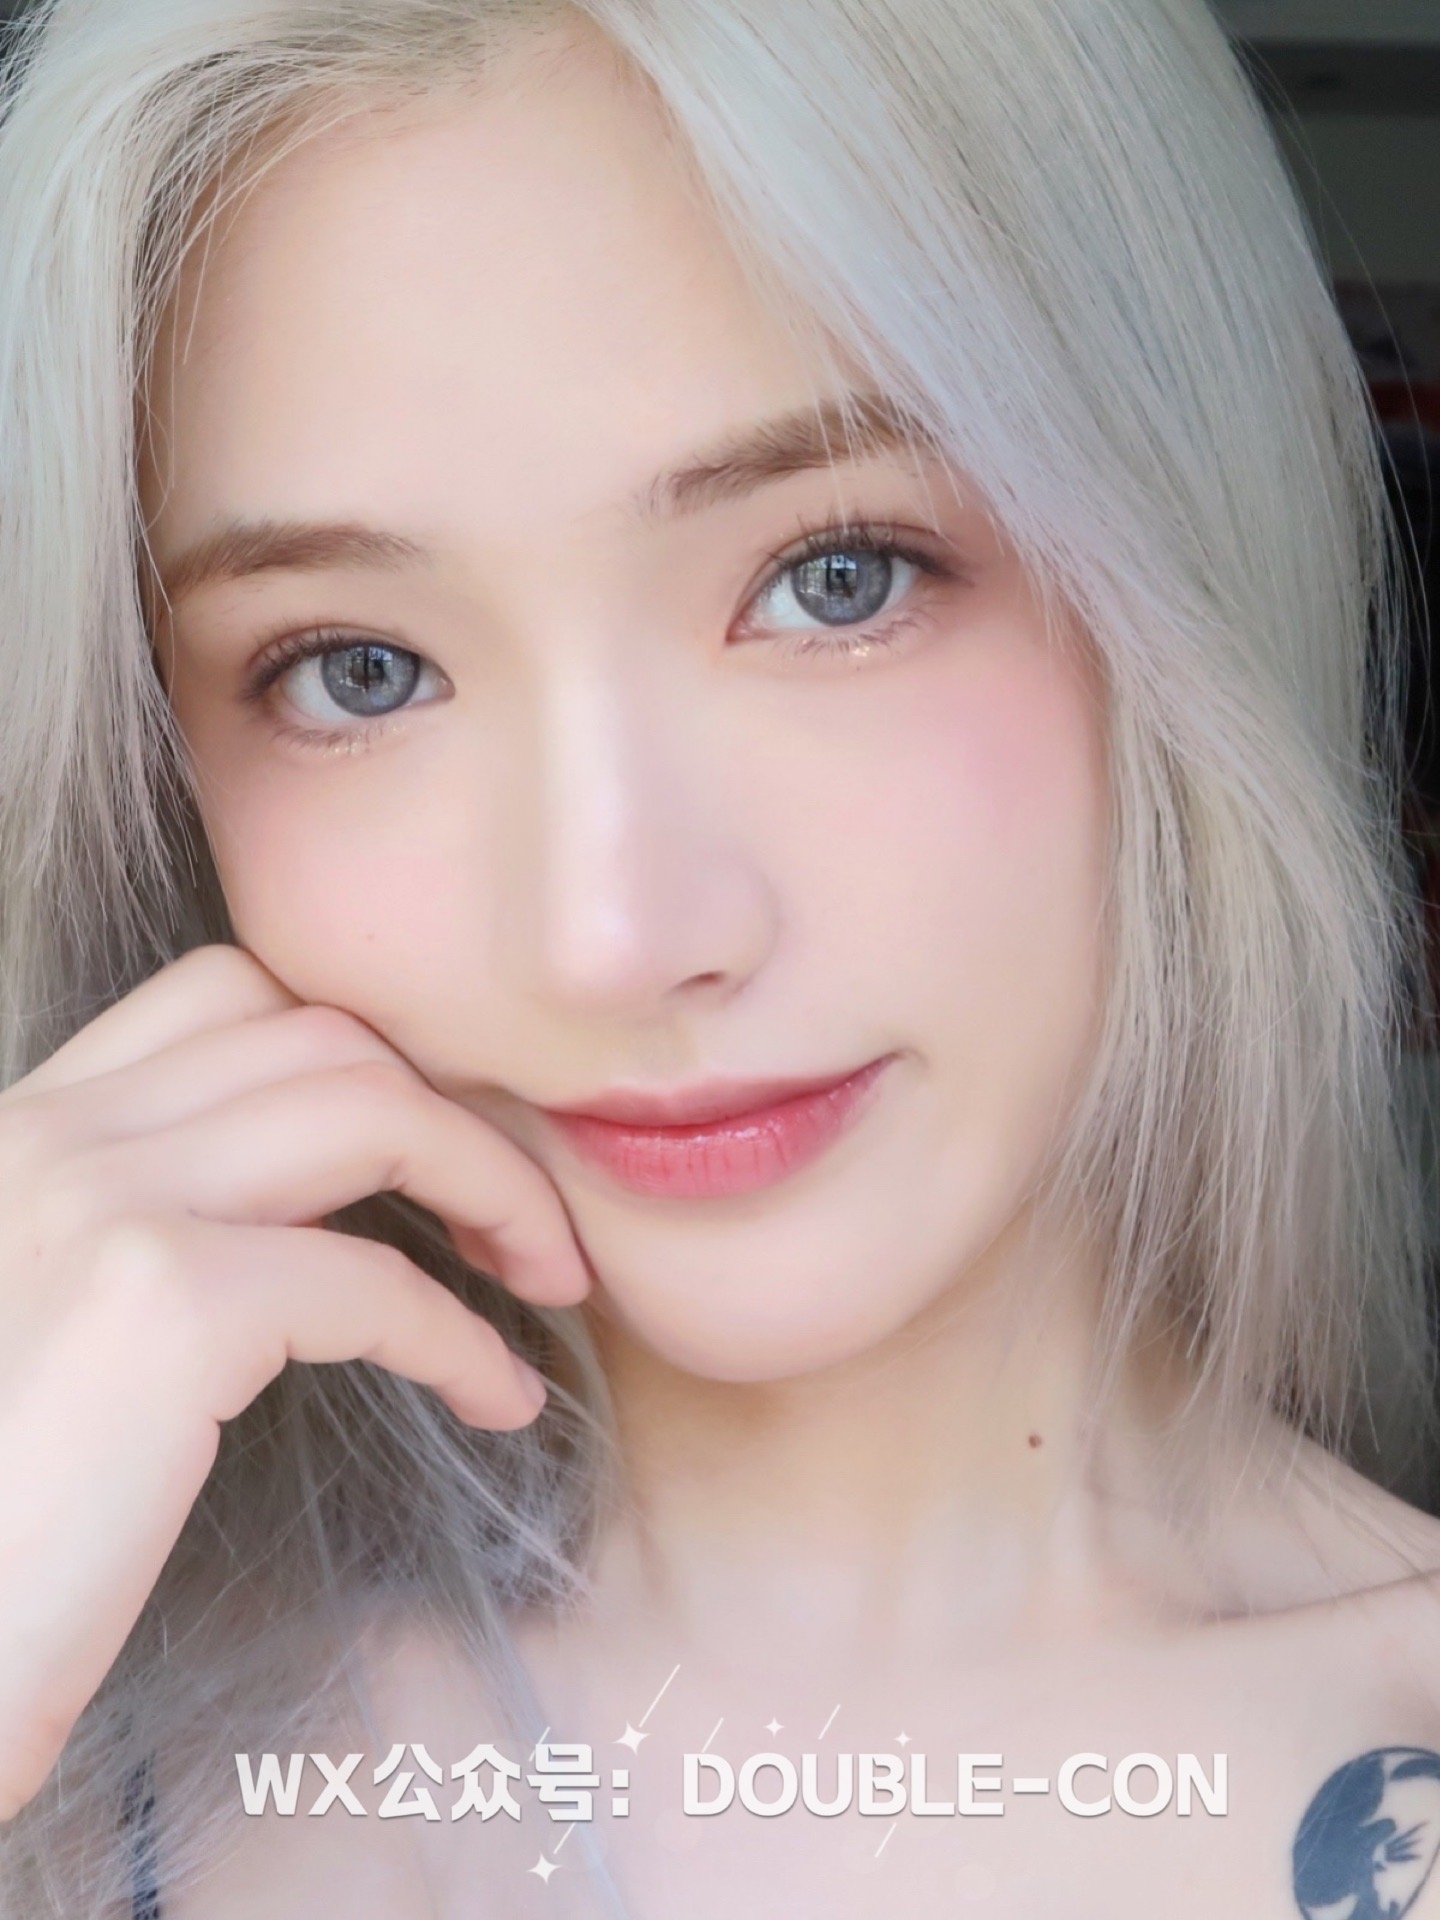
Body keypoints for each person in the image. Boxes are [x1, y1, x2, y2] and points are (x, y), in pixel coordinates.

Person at [1, 0, 1439, 1913]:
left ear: (1183, 569)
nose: (612, 937)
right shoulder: (64, 1708)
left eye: (836, 579)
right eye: (361, 671)